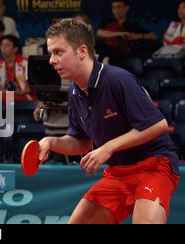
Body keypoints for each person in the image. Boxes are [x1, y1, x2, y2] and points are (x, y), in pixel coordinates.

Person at [42, 18, 180, 224]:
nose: (51, 60)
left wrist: (109, 147)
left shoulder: (117, 80)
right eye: (51, 53)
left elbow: (157, 125)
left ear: (81, 51)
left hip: (154, 165)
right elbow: (82, 142)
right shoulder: (74, 91)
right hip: (117, 173)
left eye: (58, 52)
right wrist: (52, 143)